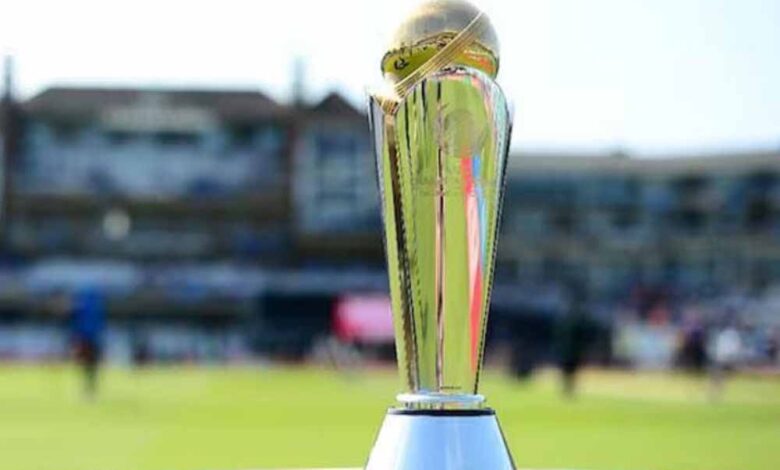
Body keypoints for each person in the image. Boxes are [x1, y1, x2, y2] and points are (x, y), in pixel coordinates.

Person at [70, 287, 106, 399]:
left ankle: (88, 390)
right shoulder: (97, 308)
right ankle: (90, 389)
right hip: (93, 338)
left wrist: (75, 336)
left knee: (86, 365)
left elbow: (76, 324)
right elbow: (100, 325)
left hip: (85, 339)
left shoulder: (81, 308)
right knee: (92, 366)